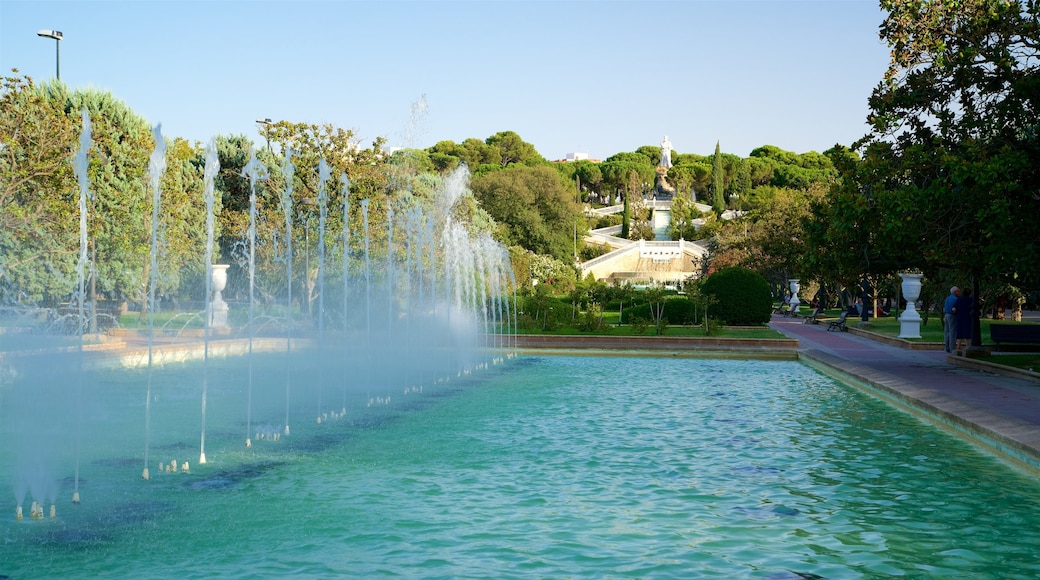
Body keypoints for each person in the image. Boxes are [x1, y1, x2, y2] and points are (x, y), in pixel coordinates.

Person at [955, 287, 974, 352]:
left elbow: (955, 308)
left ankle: (958, 347)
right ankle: (968, 346)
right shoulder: (971, 300)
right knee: (968, 332)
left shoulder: (959, 299)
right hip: (968, 317)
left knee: (960, 332)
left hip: (960, 317)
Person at [943, 286, 961, 353]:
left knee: (946, 331)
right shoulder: (956, 299)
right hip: (952, 315)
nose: (959, 293)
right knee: (952, 332)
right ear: (955, 292)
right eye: (958, 291)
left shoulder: (948, 298)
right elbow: (956, 308)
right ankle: (951, 348)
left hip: (946, 315)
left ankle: (946, 347)